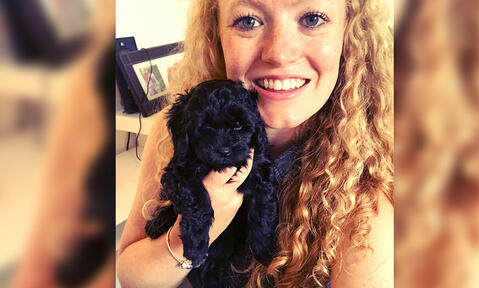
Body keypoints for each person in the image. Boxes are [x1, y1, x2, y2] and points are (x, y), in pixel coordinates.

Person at [117, 0, 393, 287]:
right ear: (216, 34)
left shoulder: (366, 194)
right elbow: (131, 275)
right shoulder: (177, 125)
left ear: (349, 33)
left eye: (312, 18)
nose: (280, 54)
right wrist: (193, 232)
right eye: (248, 21)